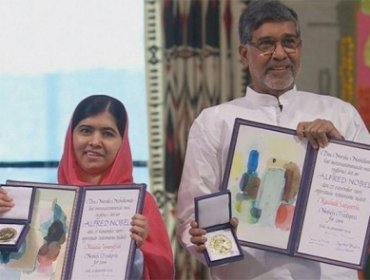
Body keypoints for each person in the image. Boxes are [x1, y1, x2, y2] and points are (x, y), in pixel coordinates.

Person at [176, 1, 370, 279]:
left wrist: (341, 153)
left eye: (289, 42)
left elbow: (364, 205)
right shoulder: (214, 122)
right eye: (266, 44)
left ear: (299, 47)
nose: (280, 54)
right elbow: (192, 217)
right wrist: (203, 237)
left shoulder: (340, 115)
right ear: (245, 53)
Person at [1, 95, 174, 280]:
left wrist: (137, 250)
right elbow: (14, 268)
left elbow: (163, 273)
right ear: (71, 136)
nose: (95, 142)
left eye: (107, 133)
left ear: (122, 142)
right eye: (86, 130)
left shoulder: (140, 204)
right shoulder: (44, 201)